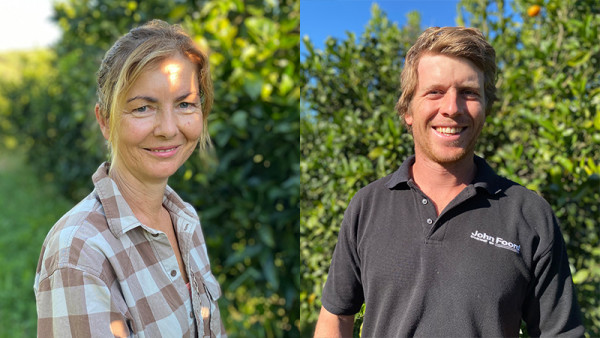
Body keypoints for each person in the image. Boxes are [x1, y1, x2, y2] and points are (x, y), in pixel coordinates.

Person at [314, 27, 584, 337]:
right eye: (434, 92)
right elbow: (335, 318)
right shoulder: (368, 205)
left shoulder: (530, 215)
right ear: (407, 111)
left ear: (486, 108)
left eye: (469, 93)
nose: (452, 108)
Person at [33, 20, 226, 337]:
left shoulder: (185, 219)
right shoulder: (80, 253)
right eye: (143, 108)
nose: (167, 128)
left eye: (185, 104)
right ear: (105, 121)